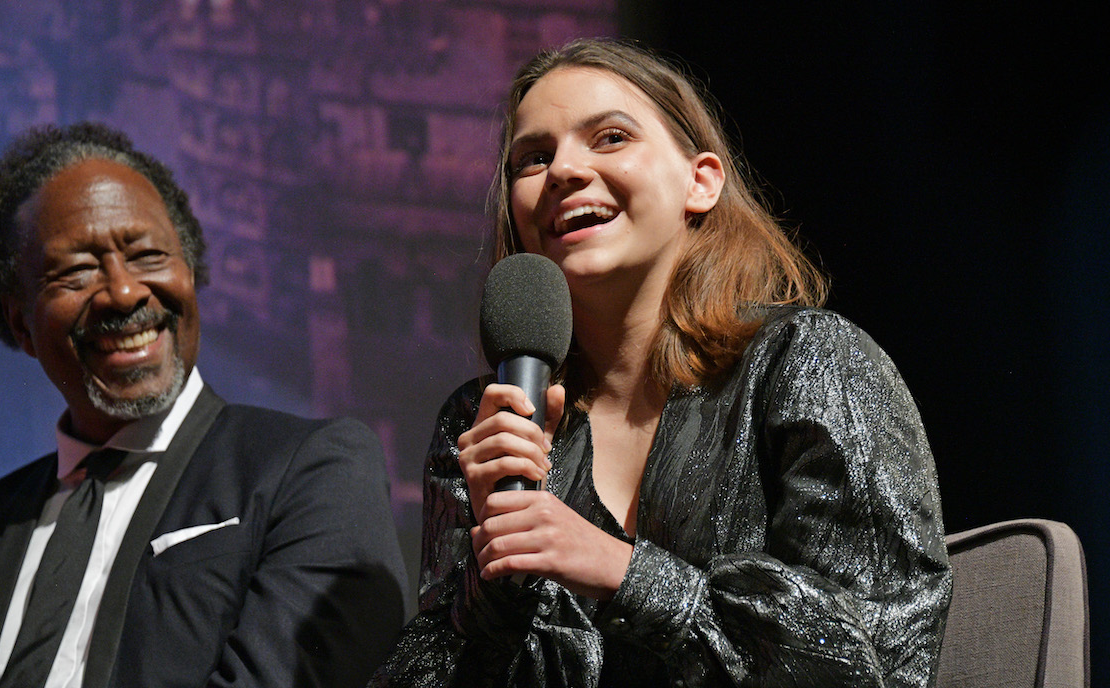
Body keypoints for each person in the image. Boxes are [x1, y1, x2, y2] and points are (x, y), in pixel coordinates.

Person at [372, 38, 951, 687]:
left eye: (610, 137)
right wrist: (491, 587)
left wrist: (625, 573)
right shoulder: (484, 420)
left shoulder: (810, 364)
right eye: (533, 158)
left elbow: (876, 662)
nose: (562, 169)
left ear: (700, 181)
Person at [0, 122, 409, 688]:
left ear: (190, 274)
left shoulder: (313, 473)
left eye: (147, 255)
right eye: (76, 271)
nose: (123, 293)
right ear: (20, 322)